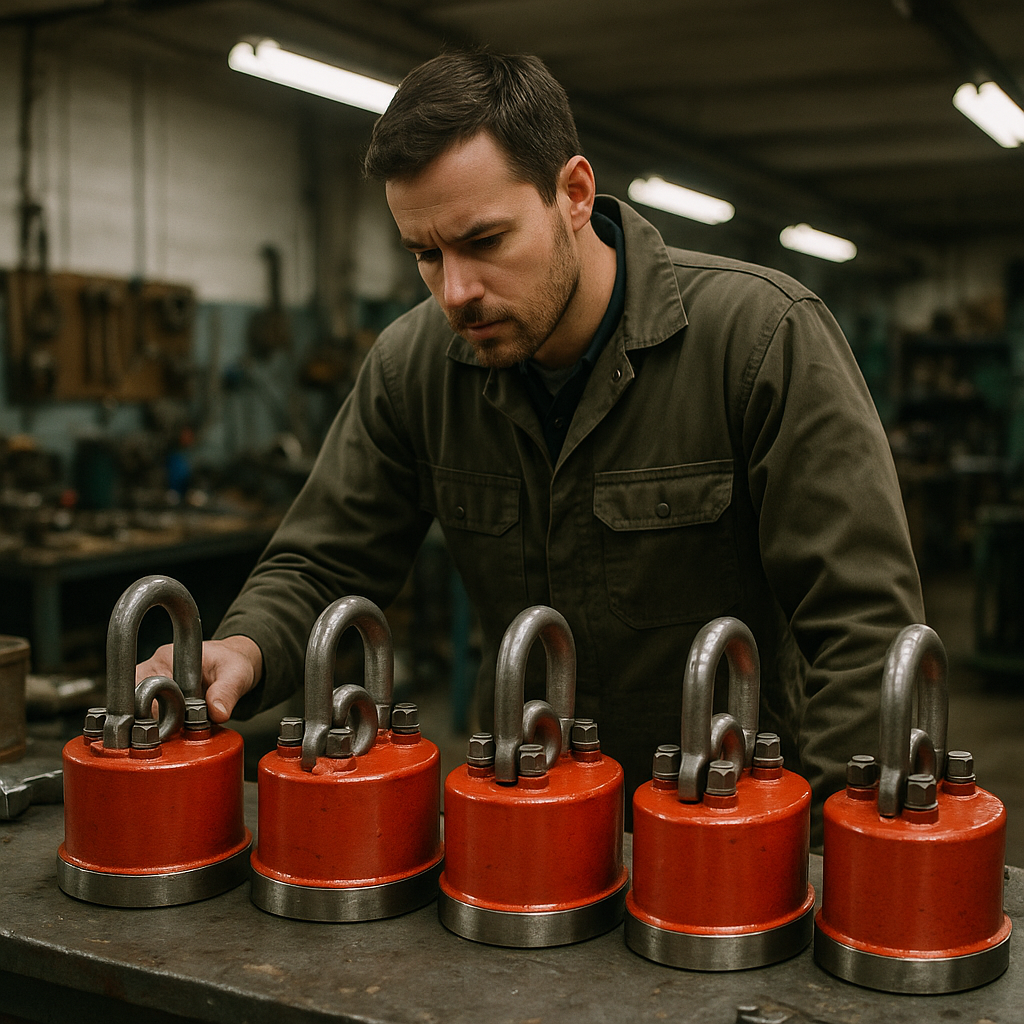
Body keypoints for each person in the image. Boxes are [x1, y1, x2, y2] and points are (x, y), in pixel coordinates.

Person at [137, 50, 924, 842]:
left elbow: (863, 629)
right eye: (426, 254)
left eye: (484, 241)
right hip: (517, 815)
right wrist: (243, 645)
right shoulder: (413, 367)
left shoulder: (761, 340)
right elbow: (322, 563)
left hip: (724, 828)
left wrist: (819, 850)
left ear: (573, 194)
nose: (456, 292)